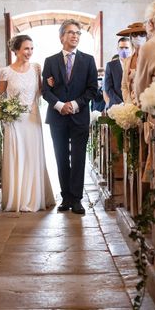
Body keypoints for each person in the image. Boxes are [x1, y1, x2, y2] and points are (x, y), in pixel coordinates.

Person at [42, 20, 98, 214]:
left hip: (79, 115)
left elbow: (92, 90)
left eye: (78, 33)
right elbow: (45, 90)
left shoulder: (88, 60)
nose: (75, 36)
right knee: (61, 157)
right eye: (71, 33)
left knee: (79, 157)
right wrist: (59, 105)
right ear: (61, 37)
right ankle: (65, 197)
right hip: (57, 117)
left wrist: (74, 105)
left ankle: (77, 199)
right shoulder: (50, 61)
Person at [0, 34, 55, 212]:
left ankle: (34, 198)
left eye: (31, 48)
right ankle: (17, 198)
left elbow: (40, 92)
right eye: (25, 48)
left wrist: (50, 85)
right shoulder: (5, 71)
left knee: (32, 156)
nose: (29, 52)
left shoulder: (36, 68)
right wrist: (6, 110)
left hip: (32, 118)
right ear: (16, 50)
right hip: (13, 121)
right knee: (16, 157)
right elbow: (0, 98)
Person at [117, 22, 148, 105]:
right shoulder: (127, 61)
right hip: (130, 104)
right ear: (130, 38)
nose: (138, 37)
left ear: (147, 36)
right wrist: (128, 101)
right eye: (134, 34)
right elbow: (124, 85)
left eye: (142, 34)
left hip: (147, 103)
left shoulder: (150, 58)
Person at [103, 36, 131, 108]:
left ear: (130, 49)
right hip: (116, 105)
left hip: (133, 103)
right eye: (121, 48)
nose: (124, 50)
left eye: (126, 48)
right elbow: (108, 88)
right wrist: (120, 103)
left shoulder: (136, 64)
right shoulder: (110, 66)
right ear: (117, 49)